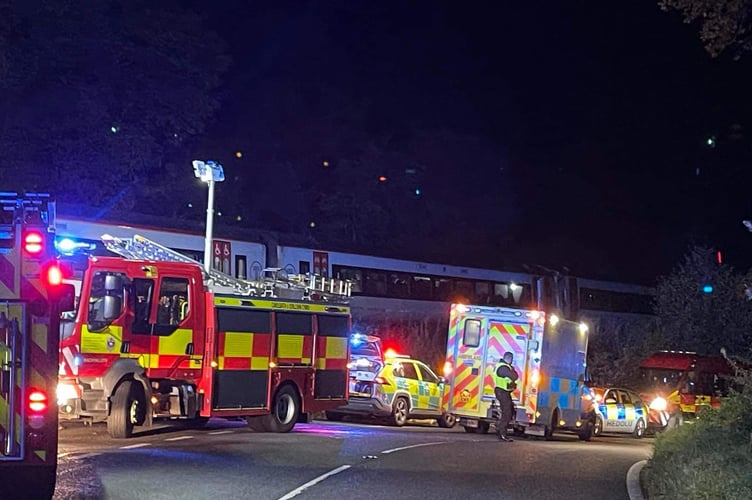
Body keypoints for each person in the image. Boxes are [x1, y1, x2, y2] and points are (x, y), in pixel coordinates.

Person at [493, 351, 519, 442]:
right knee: (507, 413)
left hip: (503, 392)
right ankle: (502, 433)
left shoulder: (502, 366)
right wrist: (512, 370)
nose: (511, 361)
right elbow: (514, 376)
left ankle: (500, 429)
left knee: (509, 411)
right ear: (509, 359)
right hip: (502, 392)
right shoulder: (503, 367)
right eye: (511, 359)